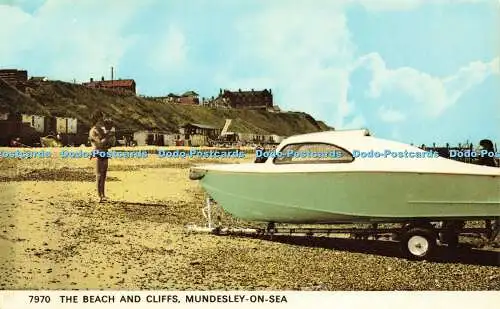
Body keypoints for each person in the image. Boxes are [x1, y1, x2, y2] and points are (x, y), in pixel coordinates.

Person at [88, 111, 116, 203]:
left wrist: (108, 139)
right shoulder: (93, 130)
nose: (102, 120)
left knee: (103, 175)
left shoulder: (102, 130)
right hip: (97, 153)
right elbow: (100, 143)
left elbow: (108, 143)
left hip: (104, 153)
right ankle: (99, 195)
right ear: (97, 119)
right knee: (99, 175)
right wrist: (108, 137)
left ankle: (103, 195)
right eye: (101, 118)